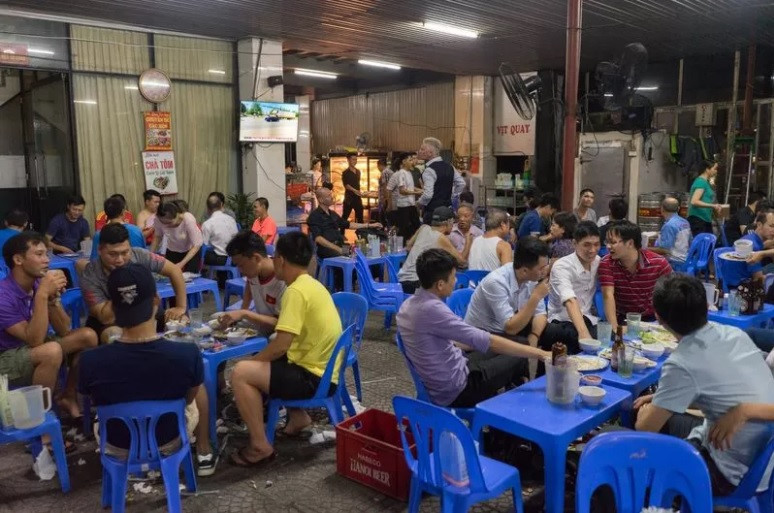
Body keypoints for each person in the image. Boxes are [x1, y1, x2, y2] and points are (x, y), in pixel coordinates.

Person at [633, 274, 774, 495]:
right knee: (672, 419)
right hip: (764, 465)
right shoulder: (734, 334)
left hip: (727, 473)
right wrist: (660, 397)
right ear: (705, 307)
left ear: (659, 319)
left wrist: (644, 413)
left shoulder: (681, 362)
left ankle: (652, 496)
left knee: (620, 436)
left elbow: (644, 428)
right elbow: (722, 391)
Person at [78, 263, 218, 476]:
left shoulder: (89, 360)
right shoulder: (187, 354)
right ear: (155, 301)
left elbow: (89, 399)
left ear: (113, 308)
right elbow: (188, 401)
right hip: (168, 440)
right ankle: (204, 447)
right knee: (197, 388)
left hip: (116, 445)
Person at [229, 232, 343, 466]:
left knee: (241, 373)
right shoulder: (311, 284)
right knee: (264, 365)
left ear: (281, 259)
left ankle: (260, 446)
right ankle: (298, 419)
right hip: (322, 371)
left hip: (314, 378)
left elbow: (280, 346)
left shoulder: (295, 292)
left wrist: (253, 364)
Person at [397, 248, 551, 408]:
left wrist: (486, 341)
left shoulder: (408, 305)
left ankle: (505, 406)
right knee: (518, 356)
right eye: (453, 277)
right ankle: (509, 416)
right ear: (440, 284)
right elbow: (487, 341)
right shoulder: (432, 310)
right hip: (457, 389)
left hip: (452, 367)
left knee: (516, 343)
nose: (455, 281)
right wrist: (541, 353)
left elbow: (456, 340)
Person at [0, 232, 97, 418]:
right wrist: (43, 294)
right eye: (39, 254)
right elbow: (34, 340)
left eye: (46, 254)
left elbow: (64, 329)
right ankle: (40, 422)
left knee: (88, 336)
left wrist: (52, 299)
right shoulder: (3, 295)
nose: (46, 260)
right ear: (18, 259)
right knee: (50, 351)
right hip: (6, 357)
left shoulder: (37, 283)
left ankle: (68, 395)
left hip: (29, 348)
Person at [82, 223, 188, 343]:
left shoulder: (139, 255)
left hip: (148, 315)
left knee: (182, 321)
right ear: (100, 250)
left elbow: (174, 270)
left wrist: (180, 307)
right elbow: (105, 317)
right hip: (113, 323)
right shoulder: (91, 274)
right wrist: (127, 286)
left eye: (125, 252)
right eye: (113, 254)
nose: (120, 260)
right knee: (113, 335)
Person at [464, 237, 550, 347]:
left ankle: (549, 363)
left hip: (509, 327)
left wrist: (534, 335)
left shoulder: (531, 277)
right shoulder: (496, 282)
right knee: (521, 347)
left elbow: (540, 314)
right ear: (524, 270)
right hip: (484, 336)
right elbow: (510, 328)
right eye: (541, 268)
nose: (545, 271)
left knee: (553, 331)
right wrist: (536, 297)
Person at [599, 220, 672, 331]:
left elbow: (671, 293)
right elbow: (608, 295)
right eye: (607, 242)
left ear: (630, 243)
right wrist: (615, 330)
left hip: (652, 319)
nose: (608, 247)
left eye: (613, 242)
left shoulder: (659, 263)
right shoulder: (606, 263)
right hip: (623, 319)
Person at [544, 221, 601, 353]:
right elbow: (570, 300)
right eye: (586, 245)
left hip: (586, 318)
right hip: (561, 321)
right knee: (576, 337)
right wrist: (583, 333)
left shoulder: (598, 261)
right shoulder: (562, 266)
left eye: (596, 245)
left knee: (608, 334)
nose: (592, 250)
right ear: (574, 244)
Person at [219, 230, 286, 336]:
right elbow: (249, 287)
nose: (240, 271)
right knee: (219, 318)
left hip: (279, 333)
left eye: (241, 265)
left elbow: (280, 323)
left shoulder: (283, 281)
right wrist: (242, 311)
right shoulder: (254, 271)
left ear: (256, 258)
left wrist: (244, 313)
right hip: (262, 324)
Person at [398, 207, 469, 293]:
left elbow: (409, 246)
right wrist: (469, 240)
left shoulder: (423, 228)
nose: (453, 226)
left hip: (401, 281)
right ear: (448, 222)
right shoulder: (441, 237)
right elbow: (462, 261)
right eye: (453, 223)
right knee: (449, 281)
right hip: (416, 284)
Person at [307, 186, 381, 260]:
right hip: (327, 250)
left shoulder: (332, 214)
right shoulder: (314, 216)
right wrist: (339, 249)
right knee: (348, 259)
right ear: (321, 200)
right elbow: (318, 238)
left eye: (331, 194)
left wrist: (369, 225)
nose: (332, 197)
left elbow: (348, 224)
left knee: (365, 254)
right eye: (329, 196)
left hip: (341, 245)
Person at [417, 137, 466, 225]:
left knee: (431, 237)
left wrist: (419, 203)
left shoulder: (429, 170)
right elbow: (461, 183)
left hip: (433, 212)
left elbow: (428, 195)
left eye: (422, 149)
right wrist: (452, 196)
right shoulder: (450, 166)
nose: (419, 151)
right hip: (447, 210)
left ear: (430, 153)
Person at [722, 210, 774, 287]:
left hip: (728, 282)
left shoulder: (750, 238)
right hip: (739, 288)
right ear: (759, 225)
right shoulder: (753, 247)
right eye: (771, 226)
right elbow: (758, 279)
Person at [152, 201, 203, 273]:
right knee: (170, 275)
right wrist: (150, 254)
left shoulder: (188, 219)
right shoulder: (158, 219)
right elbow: (158, 236)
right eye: (163, 223)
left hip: (191, 250)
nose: (166, 226)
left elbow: (196, 245)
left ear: (177, 215)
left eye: (169, 223)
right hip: (172, 249)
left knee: (189, 276)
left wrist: (181, 264)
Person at [387, 152, 423, 240]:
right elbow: (402, 191)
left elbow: (410, 187)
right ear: (403, 162)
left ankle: (412, 244)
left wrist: (421, 190)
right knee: (404, 229)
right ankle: (401, 248)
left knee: (416, 226)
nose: (412, 162)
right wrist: (417, 193)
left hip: (411, 204)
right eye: (410, 160)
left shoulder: (409, 173)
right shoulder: (401, 173)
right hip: (404, 206)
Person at [651, 197, 691, 267]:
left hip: (674, 262)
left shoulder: (669, 225)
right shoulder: (685, 222)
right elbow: (690, 241)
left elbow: (665, 250)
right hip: (686, 258)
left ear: (662, 209)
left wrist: (645, 249)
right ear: (678, 209)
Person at [201, 193, 239, 267]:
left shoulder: (208, 223)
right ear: (221, 206)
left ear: (208, 208)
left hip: (221, 259)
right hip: (234, 257)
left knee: (197, 254)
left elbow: (203, 245)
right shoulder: (231, 219)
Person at [687, 159, 723, 236]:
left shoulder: (706, 182)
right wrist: (713, 205)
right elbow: (694, 201)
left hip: (705, 218)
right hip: (698, 219)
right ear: (707, 169)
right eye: (715, 169)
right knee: (703, 245)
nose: (716, 171)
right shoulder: (701, 182)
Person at [341, 152, 367, 223]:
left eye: (356, 159)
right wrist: (355, 191)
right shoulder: (345, 173)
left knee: (360, 219)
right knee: (344, 218)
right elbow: (346, 185)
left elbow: (357, 184)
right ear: (348, 160)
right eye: (353, 159)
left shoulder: (358, 171)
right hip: (348, 199)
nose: (355, 161)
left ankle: (361, 234)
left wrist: (360, 192)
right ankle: (341, 234)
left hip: (357, 198)